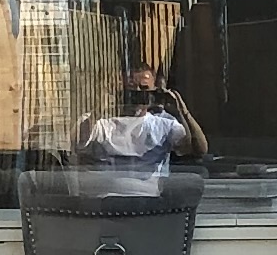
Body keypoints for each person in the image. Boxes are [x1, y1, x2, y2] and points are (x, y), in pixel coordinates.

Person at [75, 64, 202, 192]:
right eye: (131, 88)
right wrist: (99, 110)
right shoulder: (100, 122)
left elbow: (198, 149)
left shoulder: (165, 124)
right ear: (120, 91)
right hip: (105, 199)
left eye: (144, 88)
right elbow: (76, 141)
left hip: (149, 201)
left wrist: (182, 112)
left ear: (153, 92)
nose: (137, 94)